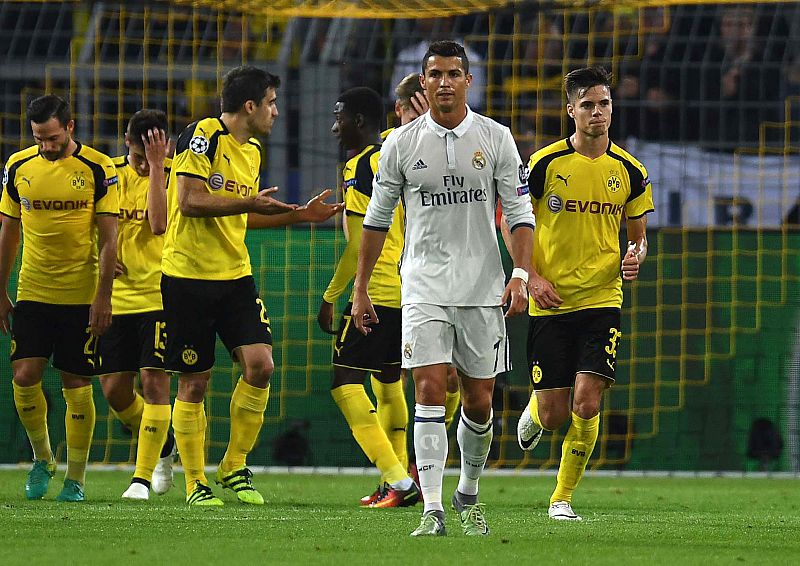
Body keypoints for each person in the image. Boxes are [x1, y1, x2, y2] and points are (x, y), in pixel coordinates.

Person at [352, 40, 535, 537]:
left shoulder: (496, 138)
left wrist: (520, 275)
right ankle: (431, 508)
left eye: (454, 73)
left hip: (482, 288)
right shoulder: (400, 144)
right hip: (423, 286)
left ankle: (467, 492)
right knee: (428, 390)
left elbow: (519, 214)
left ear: (468, 81)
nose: (445, 82)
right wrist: (361, 287)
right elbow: (376, 219)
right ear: (424, 82)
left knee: (479, 401)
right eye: (435, 74)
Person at [162, 65, 343, 506]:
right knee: (194, 383)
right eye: (271, 103)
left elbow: (242, 216)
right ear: (249, 106)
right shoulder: (202, 135)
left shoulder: (253, 151)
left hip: (235, 277)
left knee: (261, 366)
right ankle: (194, 482)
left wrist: (299, 214)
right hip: (187, 277)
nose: (276, 112)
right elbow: (189, 201)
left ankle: (233, 465)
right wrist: (249, 201)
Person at [515, 66, 654, 521]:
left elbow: (638, 238)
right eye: (588, 105)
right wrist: (531, 276)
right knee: (555, 413)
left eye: (604, 103)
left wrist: (635, 256)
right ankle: (537, 412)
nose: (598, 112)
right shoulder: (544, 164)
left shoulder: (631, 171)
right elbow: (514, 222)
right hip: (550, 300)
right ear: (570, 110)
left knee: (588, 400)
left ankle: (561, 499)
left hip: (602, 299)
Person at [0, 94, 119, 502]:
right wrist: (0, 290)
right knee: (24, 375)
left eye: (52, 138)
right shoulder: (18, 166)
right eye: (38, 138)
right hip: (33, 289)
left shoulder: (98, 167)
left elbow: (109, 238)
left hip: (81, 294)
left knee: (76, 382)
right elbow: (9, 231)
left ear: (69, 127)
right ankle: (42, 458)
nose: (46, 146)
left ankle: (76, 479)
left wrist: (103, 297)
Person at [317, 87, 419, 508]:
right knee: (389, 382)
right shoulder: (397, 155)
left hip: (374, 292)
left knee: (344, 383)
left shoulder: (359, 166)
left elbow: (360, 243)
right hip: (409, 288)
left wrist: (332, 296)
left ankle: (398, 478)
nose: (334, 127)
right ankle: (394, 480)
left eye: (339, 117)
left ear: (359, 121)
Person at [97, 109, 176, 500]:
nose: (145, 165)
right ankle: (165, 441)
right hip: (116, 299)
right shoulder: (108, 174)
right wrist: (97, 256)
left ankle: (141, 478)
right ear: (127, 143)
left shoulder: (175, 174)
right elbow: (84, 224)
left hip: (161, 295)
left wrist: (158, 167)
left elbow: (159, 224)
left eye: (153, 156)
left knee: (154, 381)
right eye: (140, 157)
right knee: (115, 391)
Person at [391, 19, 485, 111]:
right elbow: (394, 98)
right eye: (434, 75)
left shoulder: (472, 59)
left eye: (453, 75)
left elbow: (474, 102)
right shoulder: (406, 56)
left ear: (448, 20)